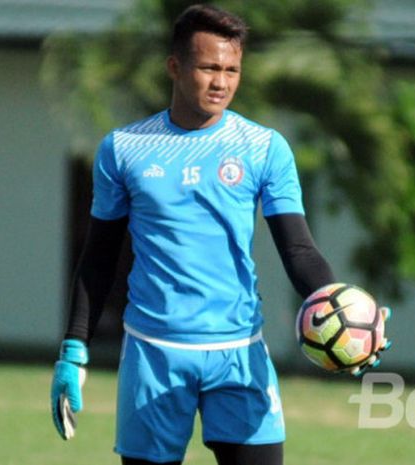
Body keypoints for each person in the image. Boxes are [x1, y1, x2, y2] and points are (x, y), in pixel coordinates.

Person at [50, 4, 387, 465]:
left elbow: (298, 248)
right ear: (175, 67)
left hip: (239, 351)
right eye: (209, 67)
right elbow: (99, 257)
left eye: (232, 70)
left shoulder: (264, 148)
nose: (221, 82)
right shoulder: (123, 150)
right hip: (153, 354)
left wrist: (342, 307)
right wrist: (73, 351)